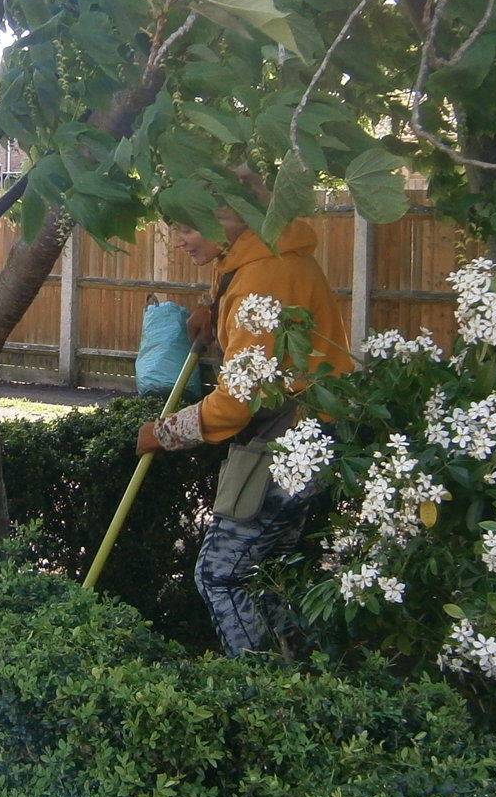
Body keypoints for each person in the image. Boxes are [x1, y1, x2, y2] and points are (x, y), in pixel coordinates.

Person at [136, 207, 353, 655]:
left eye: (187, 226)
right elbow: (230, 278)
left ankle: (259, 693)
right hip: (315, 432)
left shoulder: (261, 279)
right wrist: (209, 308)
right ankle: (299, 673)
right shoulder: (260, 250)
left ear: (226, 223)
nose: (179, 242)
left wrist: (164, 433)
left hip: (286, 444)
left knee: (221, 576)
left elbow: (234, 405)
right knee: (271, 570)